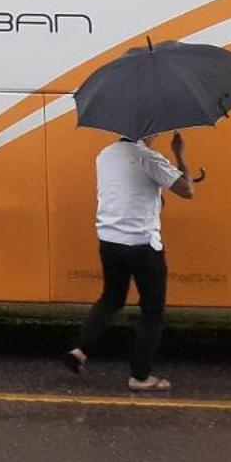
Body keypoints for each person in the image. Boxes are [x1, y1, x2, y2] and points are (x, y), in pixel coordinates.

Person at [65, 130, 198, 392]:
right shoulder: (148, 158)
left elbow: (130, 193)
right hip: (142, 246)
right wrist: (180, 155)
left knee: (112, 299)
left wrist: (155, 194)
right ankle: (140, 376)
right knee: (152, 312)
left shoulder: (105, 156)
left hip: (110, 241)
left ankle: (79, 351)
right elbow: (188, 190)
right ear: (149, 131)